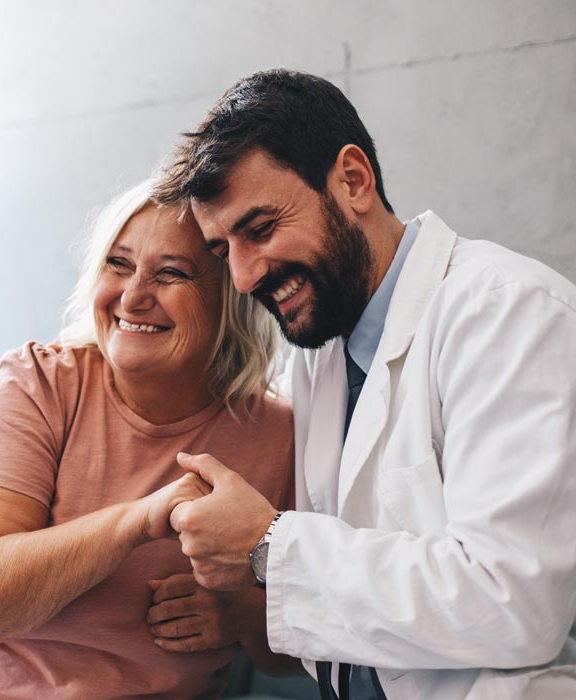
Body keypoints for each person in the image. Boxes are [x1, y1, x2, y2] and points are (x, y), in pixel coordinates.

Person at [153, 68, 576, 699]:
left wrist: (269, 545)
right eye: (223, 252)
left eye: (261, 229)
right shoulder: (321, 350)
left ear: (353, 181)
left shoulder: (510, 312)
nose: (242, 278)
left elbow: (513, 602)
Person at [0, 179, 297, 700]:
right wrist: (140, 519)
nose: (133, 296)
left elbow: (303, 654)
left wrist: (243, 614)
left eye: (171, 273)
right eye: (118, 265)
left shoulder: (281, 437)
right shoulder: (38, 383)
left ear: (230, 300)